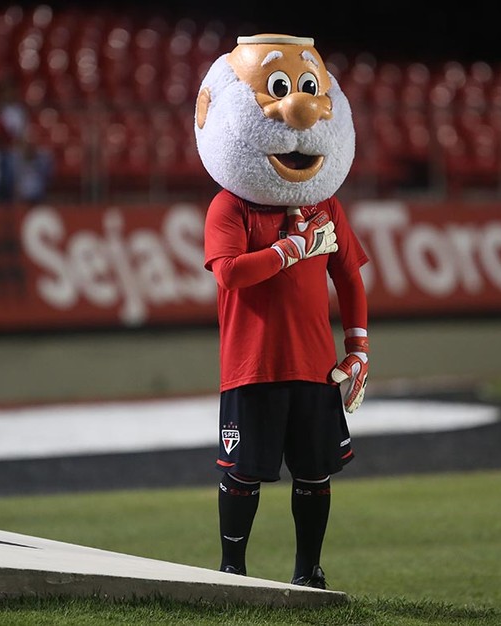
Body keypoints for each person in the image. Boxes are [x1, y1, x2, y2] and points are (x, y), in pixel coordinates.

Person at [195, 34, 370, 590]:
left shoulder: (325, 204)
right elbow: (229, 273)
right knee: (244, 475)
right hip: (253, 364)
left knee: (314, 473)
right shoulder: (230, 204)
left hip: (315, 365)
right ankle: (232, 573)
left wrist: (359, 346)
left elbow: (347, 273)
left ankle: (308, 574)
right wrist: (287, 252)